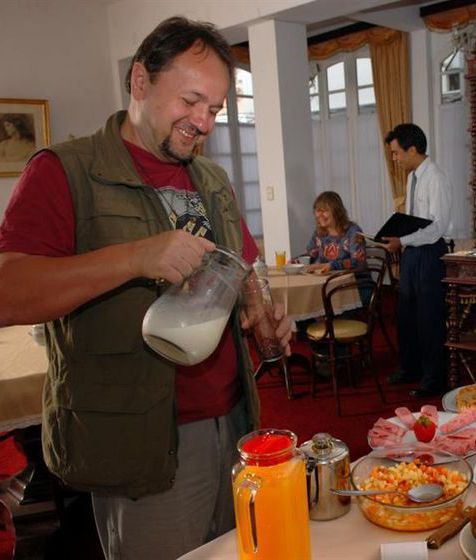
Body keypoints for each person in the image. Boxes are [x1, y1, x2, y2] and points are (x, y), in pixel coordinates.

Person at [0, 17, 291, 560]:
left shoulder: (211, 179)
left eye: (215, 110)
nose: (202, 123)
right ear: (139, 81)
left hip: (233, 421)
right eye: (191, 101)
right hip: (140, 439)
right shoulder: (66, 171)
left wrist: (261, 311)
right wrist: (135, 257)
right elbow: (9, 292)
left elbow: (244, 265)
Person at [383, 123, 452, 398]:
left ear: (413, 149)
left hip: (430, 253)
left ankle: (433, 378)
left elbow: (437, 226)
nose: (395, 159)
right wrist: (398, 235)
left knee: (429, 317)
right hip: (412, 252)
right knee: (406, 315)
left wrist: (403, 241)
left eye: (397, 153)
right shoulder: (413, 177)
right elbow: (415, 221)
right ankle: (411, 368)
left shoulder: (435, 178)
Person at [305, 190, 366, 273]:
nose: (320, 215)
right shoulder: (318, 233)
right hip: (327, 280)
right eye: (317, 211)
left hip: (355, 281)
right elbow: (310, 256)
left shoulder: (353, 231)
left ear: (337, 212)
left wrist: (331, 266)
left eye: (324, 211)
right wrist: (295, 263)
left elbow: (358, 261)